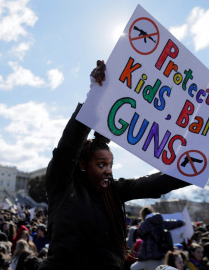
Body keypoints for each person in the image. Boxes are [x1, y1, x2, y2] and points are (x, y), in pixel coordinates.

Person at [37, 61, 190, 270]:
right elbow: (68, 147)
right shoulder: (62, 186)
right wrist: (96, 95)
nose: (108, 170)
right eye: (101, 164)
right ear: (82, 164)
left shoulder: (115, 191)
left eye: (110, 164)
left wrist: (196, 168)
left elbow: (156, 183)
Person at [130, 206, 185, 270]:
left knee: (132, 268)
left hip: (145, 257)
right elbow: (171, 223)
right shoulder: (160, 222)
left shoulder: (145, 224)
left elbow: (140, 233)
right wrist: (181, 222)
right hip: (159, 256)